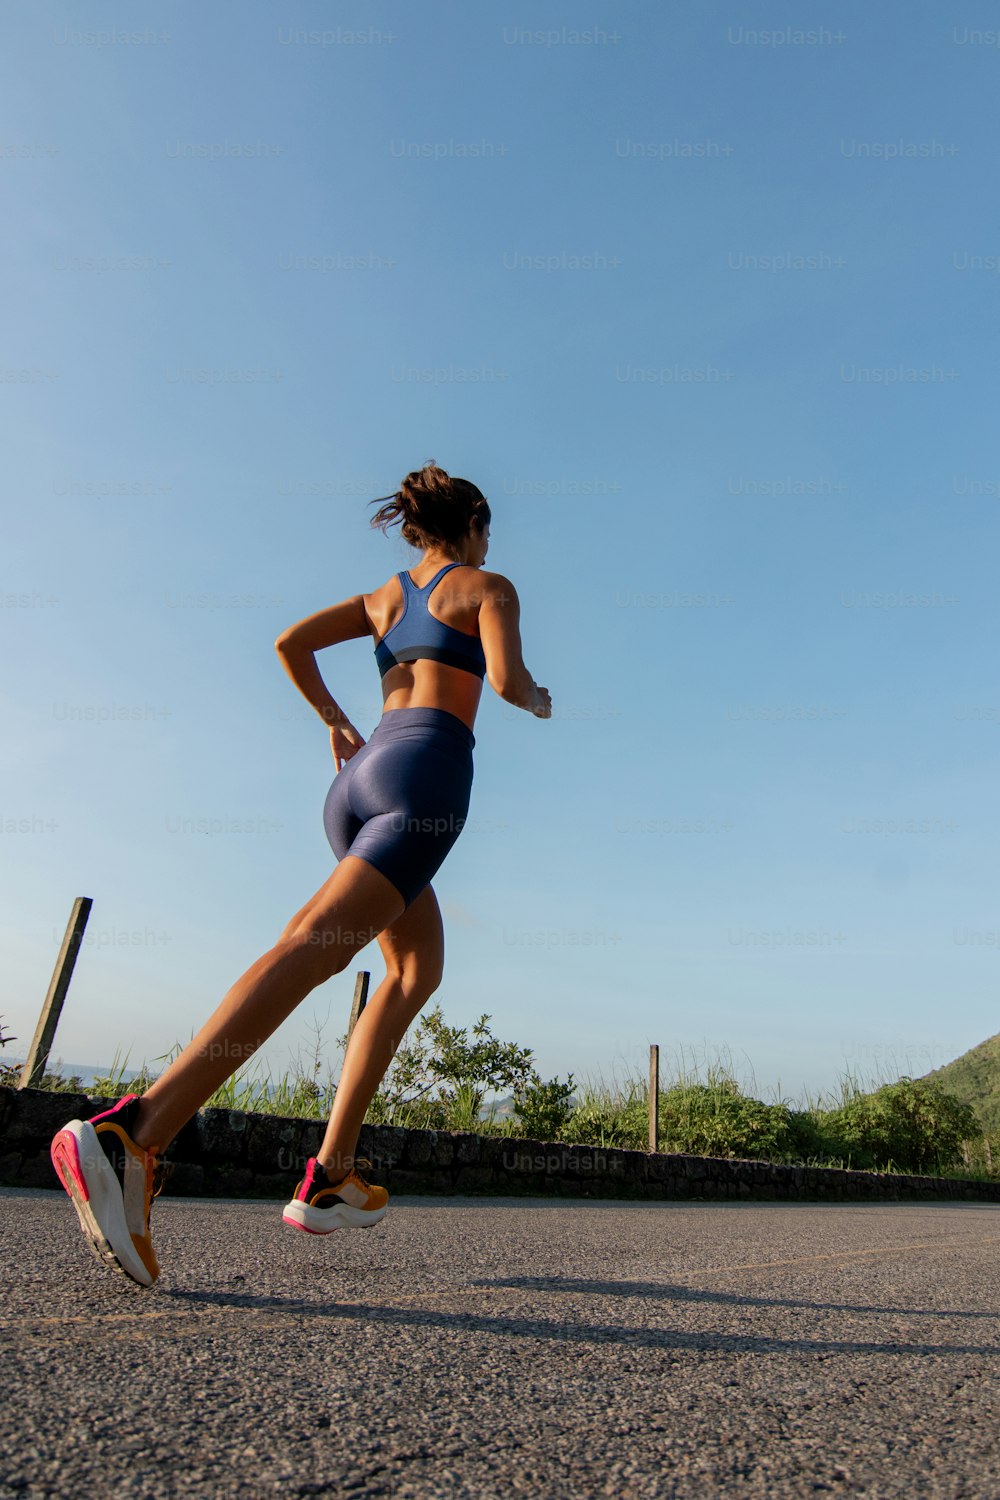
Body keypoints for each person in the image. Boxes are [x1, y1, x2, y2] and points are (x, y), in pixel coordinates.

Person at [49, 462, 552, 1287]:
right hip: (424, 779)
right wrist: (539, 700)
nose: (490, 545)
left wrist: (337, 723)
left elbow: (290, 643)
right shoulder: (488, 585)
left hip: (356, 786)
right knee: (315, 945)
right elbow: (503, 681)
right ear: (471, 527)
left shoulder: (383, 599)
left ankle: (331, 1174)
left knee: (414, 967)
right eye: (487, 531)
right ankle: (133, 1132)